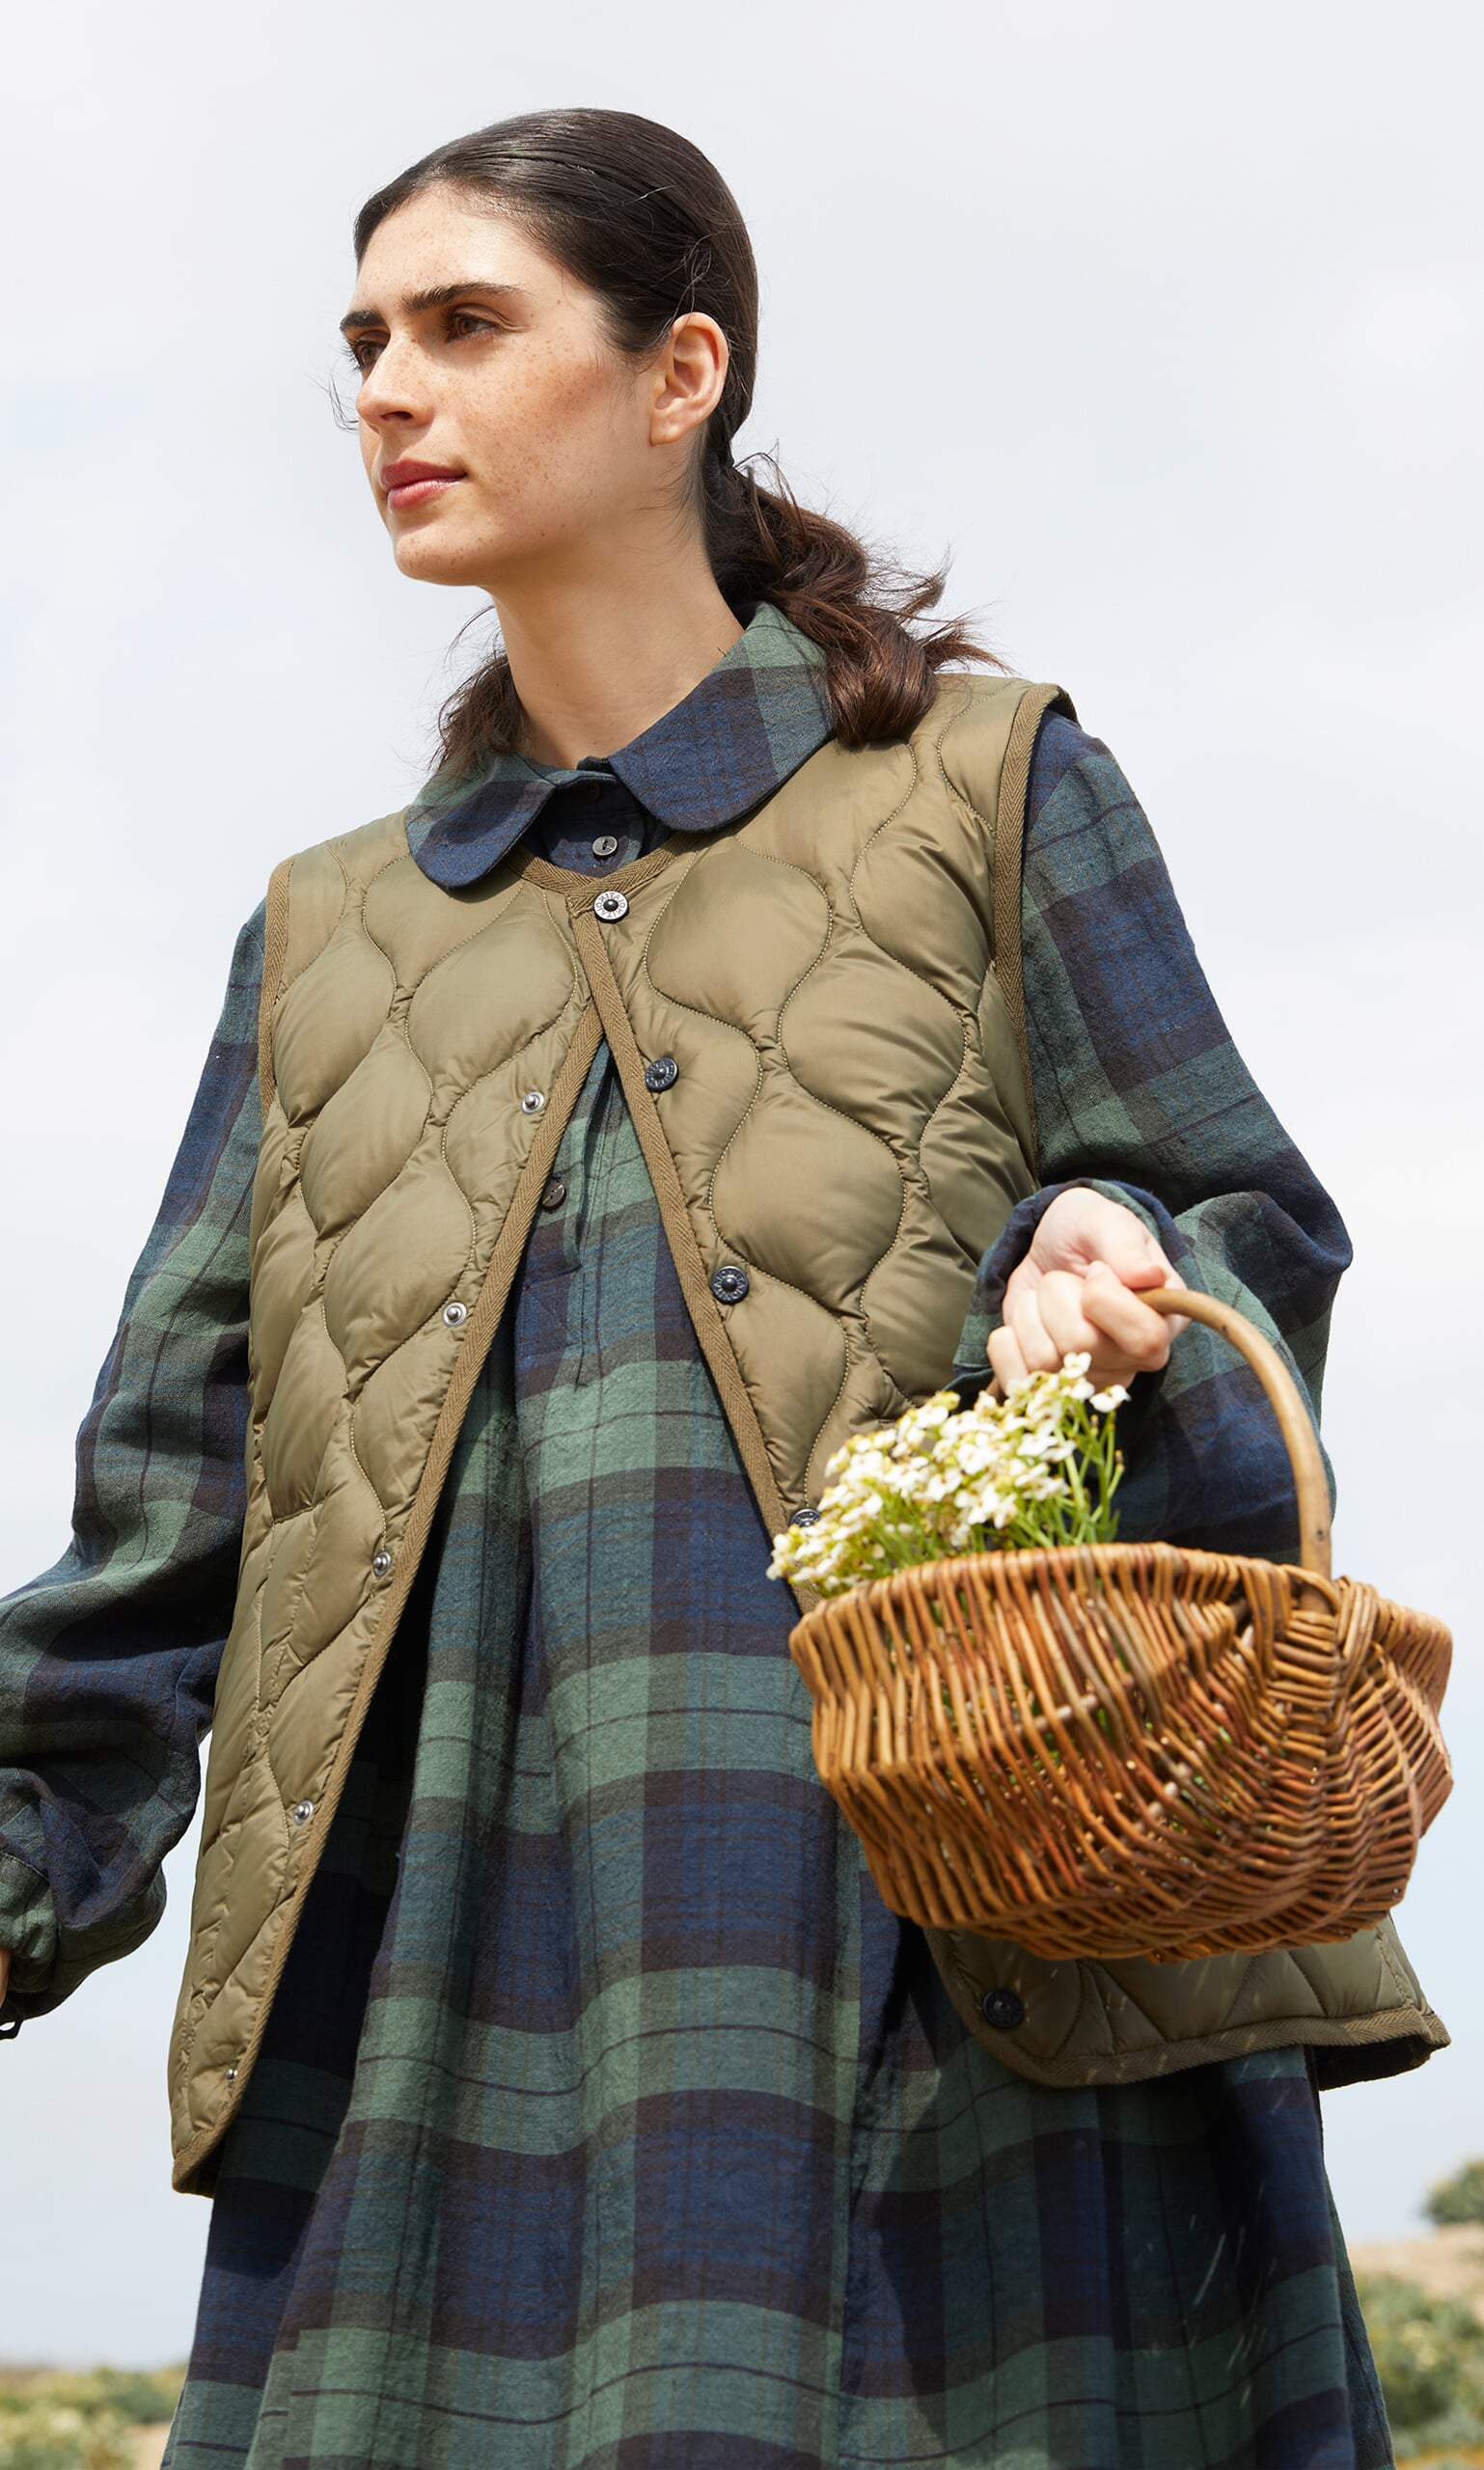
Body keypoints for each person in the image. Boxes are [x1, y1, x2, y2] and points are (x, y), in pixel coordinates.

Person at [0, 107, 1443, 2470]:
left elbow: (1238, 1227)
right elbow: (166, 1516)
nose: (384, 386)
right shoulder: (321, 933)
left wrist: (1120, 1266)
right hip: (430, 1993)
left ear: (682, 374)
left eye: (464, 325)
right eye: (361, 339)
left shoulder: (986, 787)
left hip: (933, 1956)